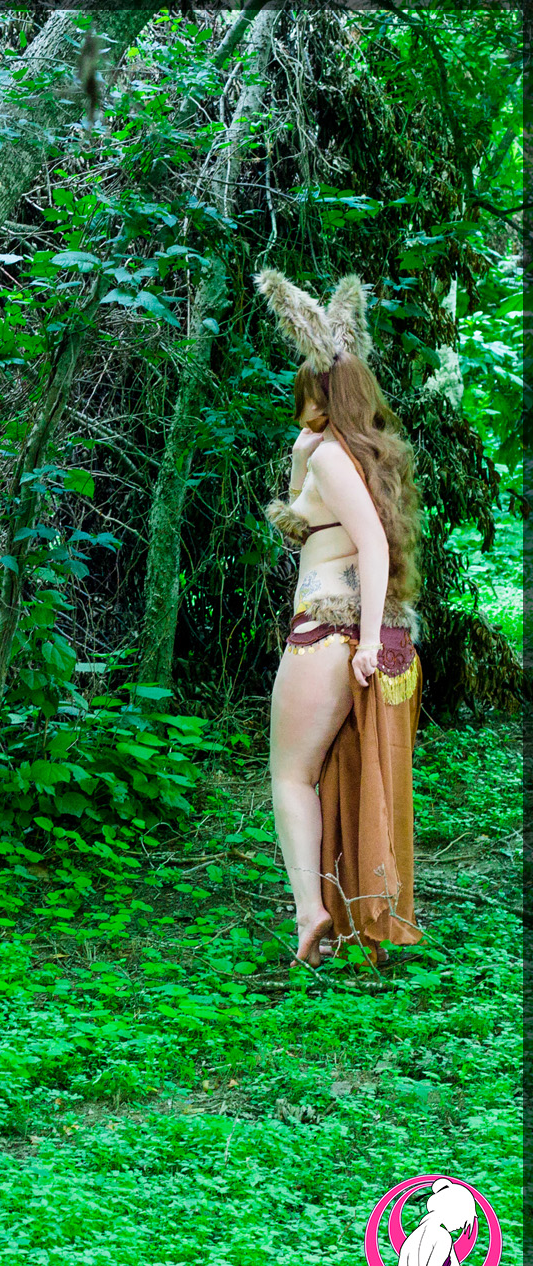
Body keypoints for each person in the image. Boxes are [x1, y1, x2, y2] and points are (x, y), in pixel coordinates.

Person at [257, 271, 423, 967]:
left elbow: (373, 545)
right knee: (337, 772)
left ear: (319, 397)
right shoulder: (358, 456)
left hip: (324, 634)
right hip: (351, 630)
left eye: (304, 399)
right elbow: (322, 526)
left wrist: (363, 643)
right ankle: (342, 910)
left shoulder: (329, 456)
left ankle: (310, 912)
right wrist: (301, 464)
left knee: (290, 777)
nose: (299, 414)